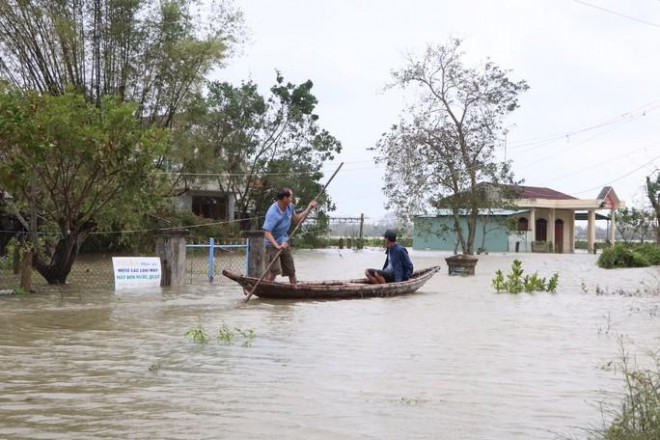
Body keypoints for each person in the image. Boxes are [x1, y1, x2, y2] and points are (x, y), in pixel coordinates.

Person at [262, 187, 317, 284]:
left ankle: (294, 289)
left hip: (284, 241)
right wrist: (277, 245)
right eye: (291, 197)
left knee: (291, 271)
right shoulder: (273, 212)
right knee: (274, 272)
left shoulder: (289, 206)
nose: (292, 199)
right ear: (284, 198)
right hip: (272, 245)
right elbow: (266, 231)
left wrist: (309, 208)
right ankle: (265, 290)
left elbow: (297, 219)